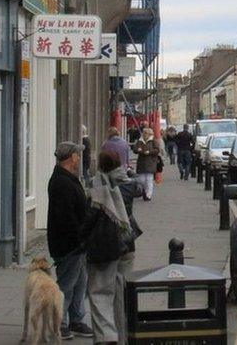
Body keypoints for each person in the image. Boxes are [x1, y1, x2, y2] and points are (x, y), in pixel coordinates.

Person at [84, 144, 145, 345]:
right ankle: (123, 337)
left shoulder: (96, 186)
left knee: (101, 291)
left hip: (105, 246)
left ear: (100, 165)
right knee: (122, 294)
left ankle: (106, 336)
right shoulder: (128, 184)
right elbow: (141, 187)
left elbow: (89, 218)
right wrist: (129, 172)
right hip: (127, 244)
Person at [46, 142, 94, 340]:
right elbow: (66, 217)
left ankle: (76, 319)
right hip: (69, 244)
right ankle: (59, 323)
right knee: (66, 284)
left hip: (78, 243)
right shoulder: (61, 182)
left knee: (81, 282)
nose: (79, 157)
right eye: (77, 154)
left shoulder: (68, 178)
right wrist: (80, 237)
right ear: (71, 157)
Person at [133, 128, 162, 200]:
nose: (144, 134)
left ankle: (148, 195)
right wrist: (138, 150)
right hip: (141, 162)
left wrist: (149, 152)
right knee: (141, 179)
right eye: (143, 133)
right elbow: (134, 149)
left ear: (150, 134)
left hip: (151, 162)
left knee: (149, 179)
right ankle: (144, 191)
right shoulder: (140, 141)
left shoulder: (153, 141)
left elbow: (157, 150)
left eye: (145, 133)